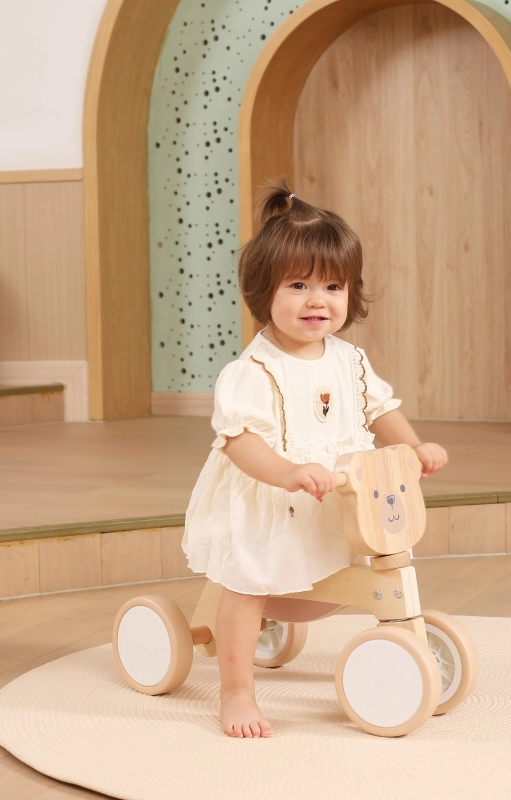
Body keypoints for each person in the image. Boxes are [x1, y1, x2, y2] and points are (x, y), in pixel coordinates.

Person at [182, 179, 449, 738]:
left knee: (351, 562)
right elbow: (238, 441)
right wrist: (286, 472)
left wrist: (412, 447)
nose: (317, 300)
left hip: (337, 495)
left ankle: (406, 650)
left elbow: (380, 409)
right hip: (271, 499)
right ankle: (235, 692)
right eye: (298, 285)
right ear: (264, 291)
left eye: (333, 286)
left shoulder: (349, 360)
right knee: (249, 585)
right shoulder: (252, 371)